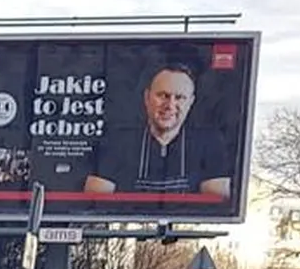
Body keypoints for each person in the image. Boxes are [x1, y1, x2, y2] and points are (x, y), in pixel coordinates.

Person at [82, 59, 234, 200]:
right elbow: (95, 201)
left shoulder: (210, 143)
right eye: (163, 95)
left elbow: (217, 200)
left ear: (191, 103)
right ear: (147, 98)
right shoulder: (116, 143)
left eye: (179, 97)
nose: (170, 105)